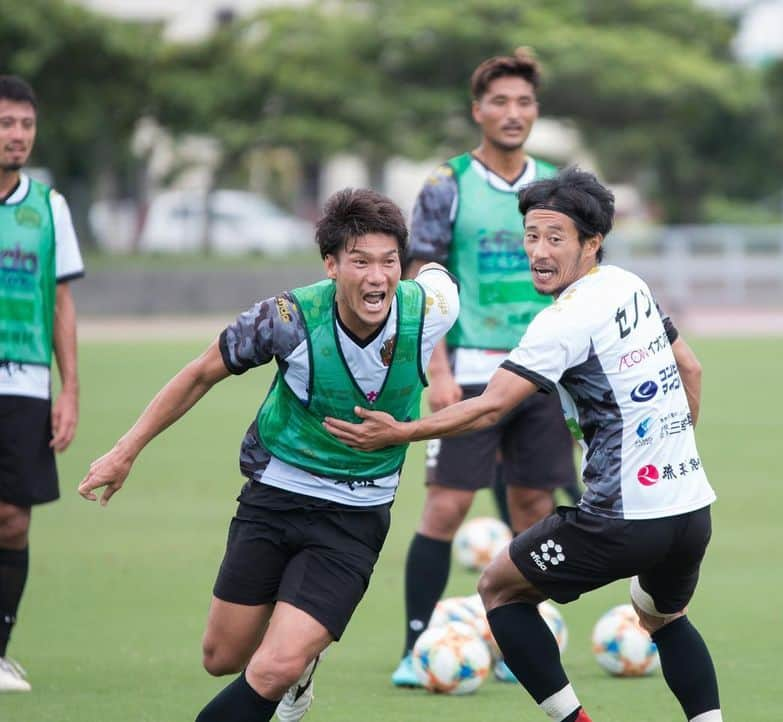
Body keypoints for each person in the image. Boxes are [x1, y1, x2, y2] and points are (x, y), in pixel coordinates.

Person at [328, 168, 723, 722]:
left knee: (499, 588)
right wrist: (669, 453)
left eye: (555, 238)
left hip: (623, 518)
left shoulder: (562, 321)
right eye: (531, 236)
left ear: (592, 242)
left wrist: (400, 432)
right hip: (690, 508)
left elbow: (490, 406)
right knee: (662, 615)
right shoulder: (630, 285)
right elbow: (692, 368)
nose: (538, 251)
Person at [77, 188, 459, 721]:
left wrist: (415, 418)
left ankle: (293, 670)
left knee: (272, 667)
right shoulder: (285, 318)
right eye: (360, 262)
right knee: (222, 657)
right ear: (331, 264)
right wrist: (125, 451)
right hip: (274, 495)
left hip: (355, 514)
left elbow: (440, 274)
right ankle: (296, 666)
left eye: (389, 262)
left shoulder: (431, 306)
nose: (378, 277)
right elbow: (200, 373)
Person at [392, 49, 578, 687]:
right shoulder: (447, 184)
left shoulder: (558, 184)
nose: (512, 112)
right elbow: (424, 279)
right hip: (469, 370)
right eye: (499, 101)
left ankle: (528, 645)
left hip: (545, 372)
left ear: (536, 111)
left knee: (535, 506)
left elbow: (582, 283)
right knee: (446, 508)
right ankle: (416, 648)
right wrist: (435, 371)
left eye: (523, 102)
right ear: (478, 111)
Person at [0, 75, 84, 693]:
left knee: (13, 520)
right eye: (6, 123)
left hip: (25, 382)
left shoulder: (48, 207)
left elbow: (60, 302)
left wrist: (70, 389)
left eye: (25, 125)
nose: (18, 136)